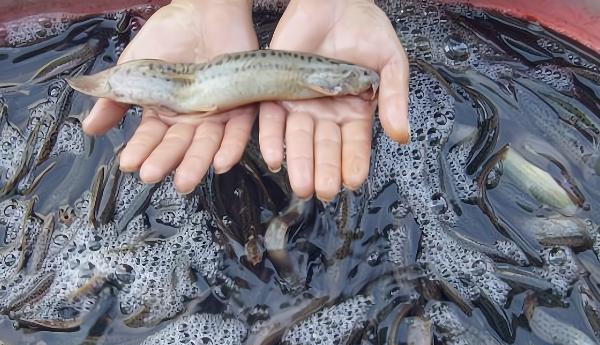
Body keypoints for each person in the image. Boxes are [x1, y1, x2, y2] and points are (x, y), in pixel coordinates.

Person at [82, 0, 410, 201]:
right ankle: (118, 83)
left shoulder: (335, 77)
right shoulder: (334, 79)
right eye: (358, 79)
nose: (366, 83)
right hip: (198, 84)